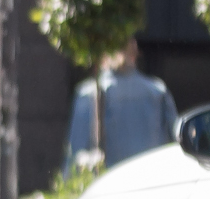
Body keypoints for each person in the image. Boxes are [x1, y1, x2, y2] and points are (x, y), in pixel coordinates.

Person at [65, 38, 179, 167]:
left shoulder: (88, 94)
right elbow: (176, 141)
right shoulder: (157, 91)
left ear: (101, 57)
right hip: (152, 178)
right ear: (135, 54)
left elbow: (76, 153)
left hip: (111, 180)